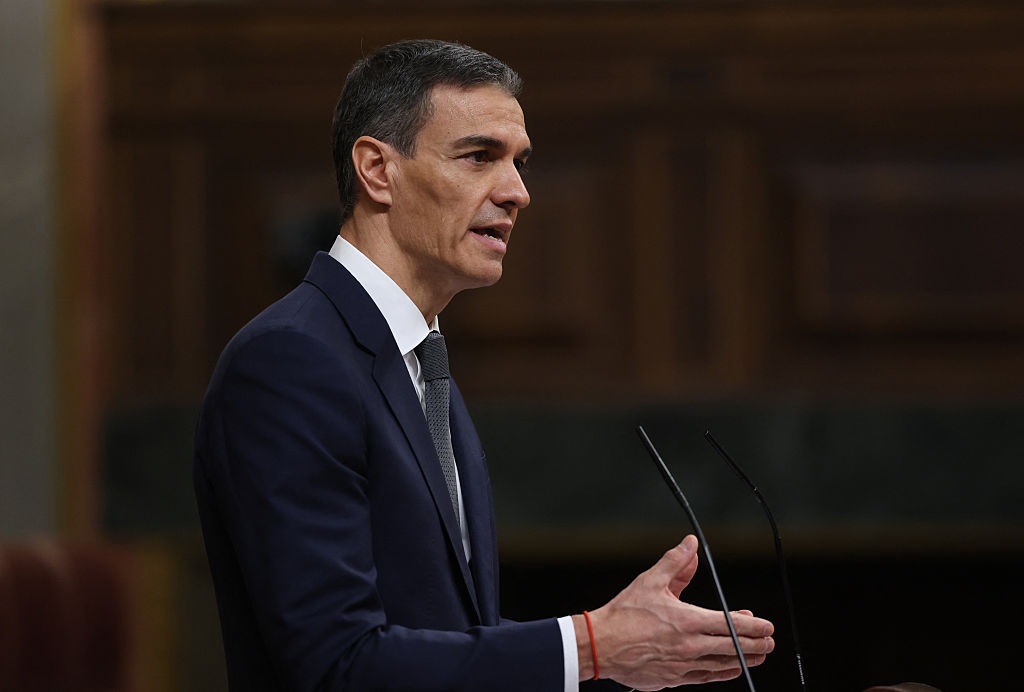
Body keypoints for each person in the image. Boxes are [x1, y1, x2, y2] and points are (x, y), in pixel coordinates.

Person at [194, 39, 775, 692]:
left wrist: (615, 657)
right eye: (479, 157)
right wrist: (590, 645)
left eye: (519, 162)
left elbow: (445, 636)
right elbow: (336, 664)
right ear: (377, 171)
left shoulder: (422, 363)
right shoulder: (289, 362)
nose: (518, 192)